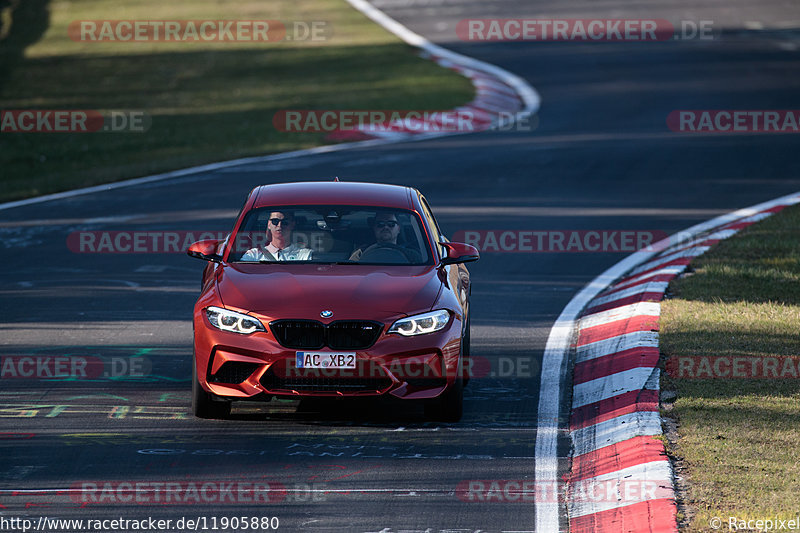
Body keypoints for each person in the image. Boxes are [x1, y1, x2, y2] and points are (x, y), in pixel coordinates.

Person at [349, 212, 421, 263]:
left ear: (399, 228)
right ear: (374, 228)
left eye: (391, 224)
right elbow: (351, 272)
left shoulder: (412, 256)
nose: (386, 227)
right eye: (380, 224)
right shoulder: (360, 253)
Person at [241, 210, 312, 261]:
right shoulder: (253, 255)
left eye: (285, 222)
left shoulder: (305, 255)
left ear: (292, 224)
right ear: (269, 224)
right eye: (275, 221)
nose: (279, 225)